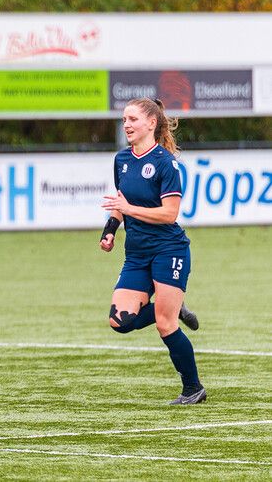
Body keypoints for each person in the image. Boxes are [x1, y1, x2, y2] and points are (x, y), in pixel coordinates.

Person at [100, 97, 204, 405]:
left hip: (168, 249)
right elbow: (121, 203)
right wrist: (110, 230)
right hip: (137, 253)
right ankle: (171, 302)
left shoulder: (165, 163)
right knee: (120, 322)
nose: (127, 125)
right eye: (124, 120)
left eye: (132, 119)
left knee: (164, 323)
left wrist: (128, 208)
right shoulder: (121, 159)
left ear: (151, 123)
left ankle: (193, 388)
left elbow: (169, 214)